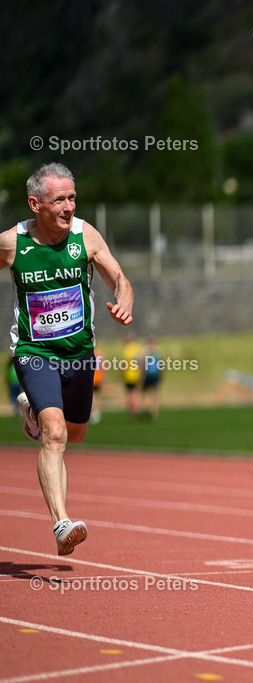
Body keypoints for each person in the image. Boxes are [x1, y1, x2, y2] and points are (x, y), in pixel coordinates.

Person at [1, 162, 134, 555]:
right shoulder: (13, 243)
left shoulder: (84, 235)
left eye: (72, 197)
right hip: (34, 351)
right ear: (35, 204)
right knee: (54, 432)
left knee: (75, 433)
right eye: (59, 199)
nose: (69, 206)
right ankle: (61, 522)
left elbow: (119, 279)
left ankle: (30, 409)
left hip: (79, 355)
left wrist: (124, 301)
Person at [121, 332, 143, 418]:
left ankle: (133, 411)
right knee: (135, 392)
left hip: (129, 375)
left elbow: (125, 363)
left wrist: (122, 374)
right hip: (137, 374)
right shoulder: (137, 348)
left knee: (130, 394)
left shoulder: (127, 349)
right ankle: (137, 407)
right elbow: (141, 361)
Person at [141, 334, 163, 420]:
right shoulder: (158, 350)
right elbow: (161, 364)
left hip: (147, 374)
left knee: (144, 393)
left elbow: (142, 363)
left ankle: (149, 407)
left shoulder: (145, 350)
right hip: (156, 375)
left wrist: (141, 375)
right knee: (156, 394)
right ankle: (155, 413)